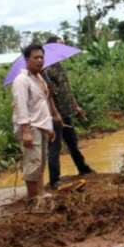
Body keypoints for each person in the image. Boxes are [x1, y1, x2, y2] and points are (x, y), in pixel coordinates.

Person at [12, 44, 61, 203]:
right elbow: (21, 106)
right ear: (27, 59)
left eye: (41, 57)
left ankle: (40, 192)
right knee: (33, 163)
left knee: (41, 162)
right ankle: (33, 198)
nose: (40, 60)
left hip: (42, 125)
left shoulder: (39, 78)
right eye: (36, 58)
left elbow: (43, 104)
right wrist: (25, 130)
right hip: (31, 126)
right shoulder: (21, 80)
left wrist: (50, 126)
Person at [44, 36, 94, 190]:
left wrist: (76, 106)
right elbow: (49, 95)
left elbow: (67, 90)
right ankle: (54, 180)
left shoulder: (59, 66)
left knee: (73, 142)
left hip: (67, 112)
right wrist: (55, 114)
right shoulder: (46, 71)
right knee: (55, 146)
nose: (63, 47)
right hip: (55, 115)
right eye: (60, 45)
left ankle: (82, 168)